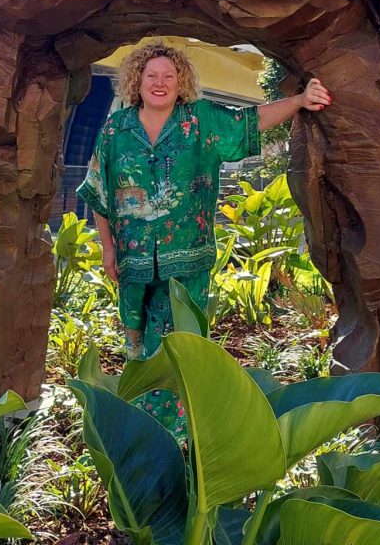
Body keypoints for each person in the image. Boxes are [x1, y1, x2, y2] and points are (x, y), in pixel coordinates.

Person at [76, 40, 331, 431]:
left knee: (186, 341)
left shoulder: (201, 121)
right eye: (152, 76)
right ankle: (143, 426)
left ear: (181, 83)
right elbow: (99, 191)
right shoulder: (116, 129)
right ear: (137, 81)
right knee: (138, 342)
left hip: (188, 261)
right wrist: (107, 248)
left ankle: (185, 427)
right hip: (133, 262)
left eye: (169, 76)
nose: (160, 83)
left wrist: (299, 100)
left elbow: (251, 121)